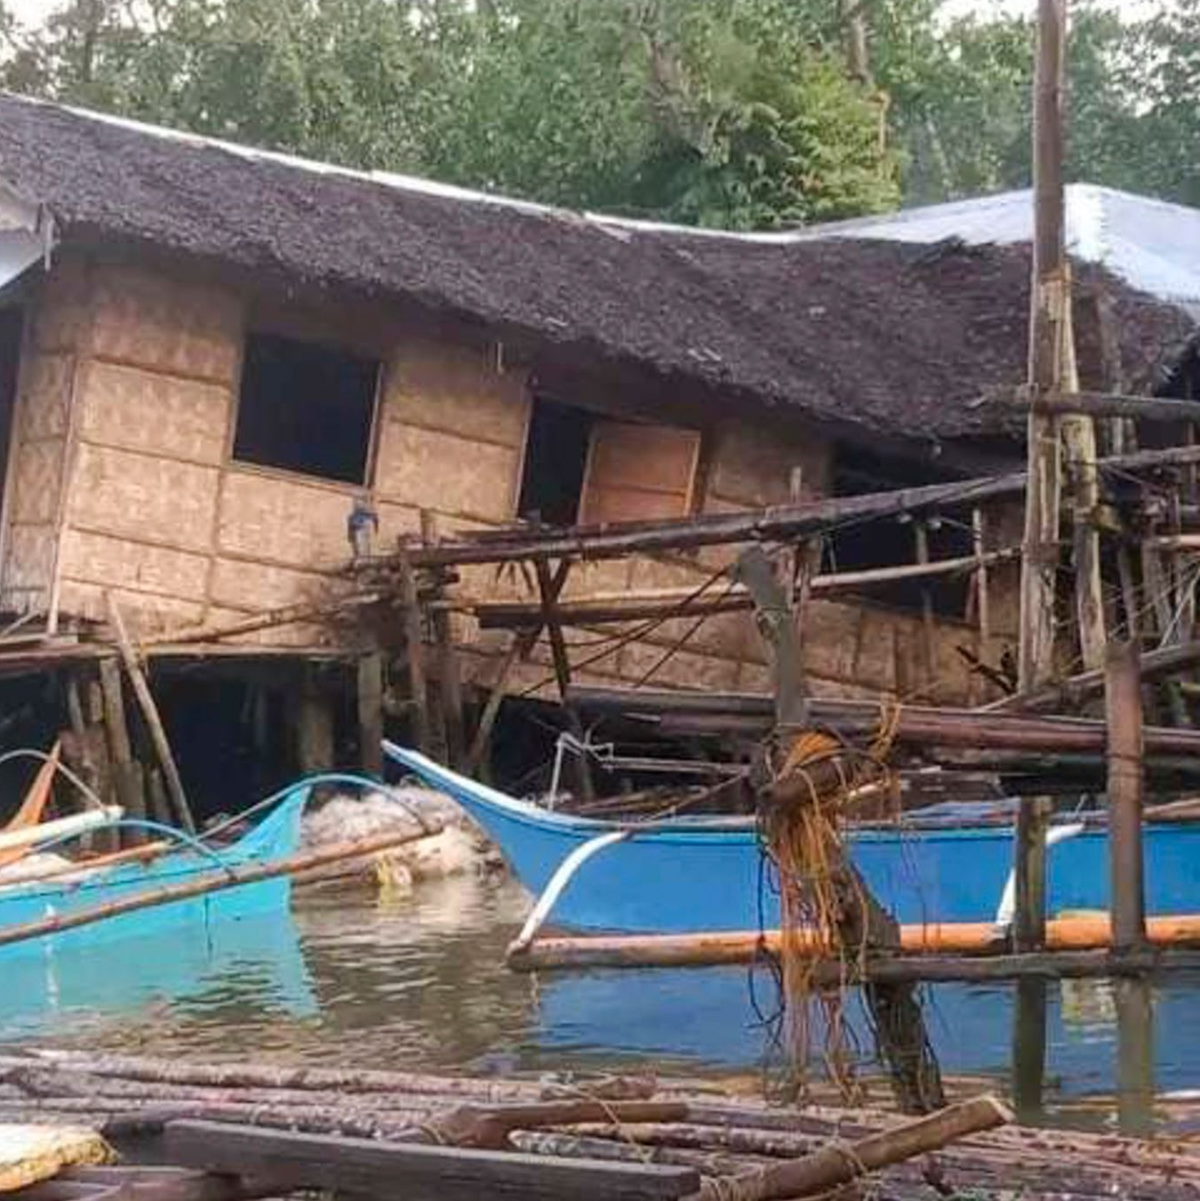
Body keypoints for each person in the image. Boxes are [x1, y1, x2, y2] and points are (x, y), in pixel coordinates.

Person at [347, 493, 379, 562]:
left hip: (363, 530)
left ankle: (362, 560)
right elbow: (375, 518)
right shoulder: (352, 516)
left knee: (363, 547)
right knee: (358, 547)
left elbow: (375, 518)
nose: (358, 503)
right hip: (357, 530)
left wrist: (376, 528)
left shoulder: (367, 513)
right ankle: (359, 559)